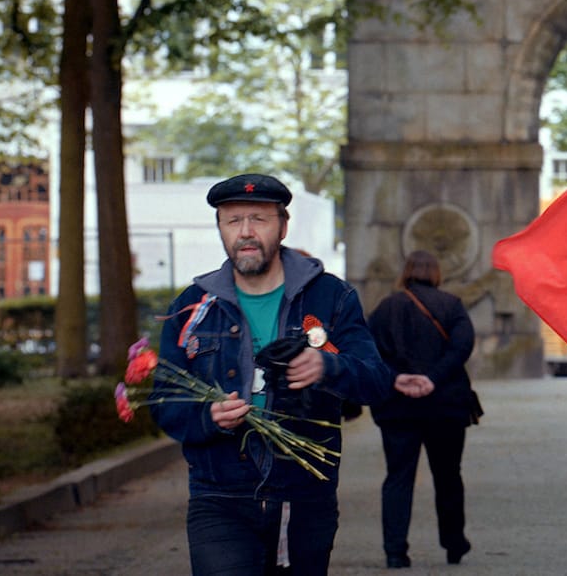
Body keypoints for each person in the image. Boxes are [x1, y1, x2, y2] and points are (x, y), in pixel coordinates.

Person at [153, 173, 433, 575]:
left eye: (259, 219)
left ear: (283, 226)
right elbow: (164, 400)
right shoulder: (193, 305)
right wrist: (206, 417)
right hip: (219, 495)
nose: (245, 232)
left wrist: (327, 366)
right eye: (233, 221)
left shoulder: (331, 297)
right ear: (220, 228)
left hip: (303, 495)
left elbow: (375, 381)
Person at [366, 250, 478, 569]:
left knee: (398, 477)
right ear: (436, 273)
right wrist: (433, 378)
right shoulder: (452, 305)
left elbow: (369, 351)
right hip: (445, 406)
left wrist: (397, 378)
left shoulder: (385, 308)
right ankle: (454, 543)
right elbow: (462, 347)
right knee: (448, 475)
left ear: (406, 273)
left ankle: (395, 551)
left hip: (397, 407)